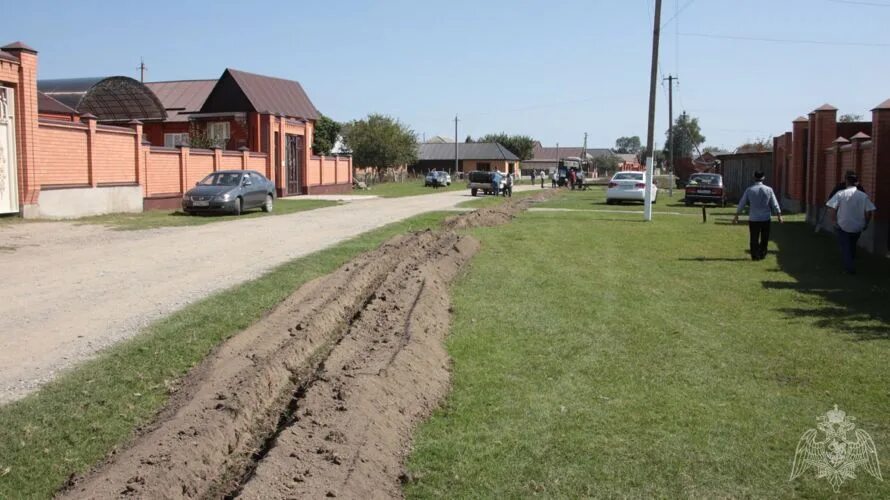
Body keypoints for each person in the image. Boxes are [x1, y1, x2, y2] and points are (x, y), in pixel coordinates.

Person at [826, 172, 876, 274]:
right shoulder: (863, 196)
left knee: (845, 246)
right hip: (858, 226)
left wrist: (834, 221)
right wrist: (866, 223)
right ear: (857, 183)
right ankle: (851, 260)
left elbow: (832, 208)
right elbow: (869, 211)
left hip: (842, 224)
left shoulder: (840, 194)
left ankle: (849, 267)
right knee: (852, 244)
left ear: (846, 182)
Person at [732, 171, 783, 260]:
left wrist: (736, 215)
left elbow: (742, 203)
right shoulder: (769, 189)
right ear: (763, 178)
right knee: (765, 237)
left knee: (754, 237)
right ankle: (762, 253)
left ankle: (754, 255)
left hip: (754, 218)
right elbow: (774, 203)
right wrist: (779, 215)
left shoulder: (749, 190)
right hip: (765, 218)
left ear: (754, 177)